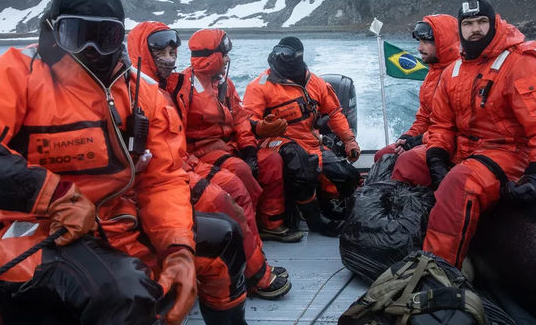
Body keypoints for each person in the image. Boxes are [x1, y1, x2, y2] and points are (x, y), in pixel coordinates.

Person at [0, 0, 291, 325]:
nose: (93, 49)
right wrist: (52, 195)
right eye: (77, 35)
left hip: (117, 221)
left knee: (224, 236)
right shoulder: (18, 74)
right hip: (35, 231)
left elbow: (161, 180)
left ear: (121, 38)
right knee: (125, 293)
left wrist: (179, 249)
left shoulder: (143, 93)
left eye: (107, 36)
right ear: (52, 30)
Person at [392, 0, 536, 268]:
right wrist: (436, 158)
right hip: (466, 149)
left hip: (510, 152)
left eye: (482, 22)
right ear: (459, 30)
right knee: (409, 162)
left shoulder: (521, 64)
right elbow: (441, 125)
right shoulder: (454, 71)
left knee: (460, 181)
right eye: (469, 23)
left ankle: (437, 269)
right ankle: (403, 241)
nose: (475, 29)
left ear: (494, 24)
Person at [126, 21, 292, 299]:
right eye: (162, 54)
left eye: (172, 53)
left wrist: (253, 142)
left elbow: (238, 119)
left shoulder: (186, 88)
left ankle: (261, 244)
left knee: (263, 166)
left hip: (180, 166)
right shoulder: (166, 89)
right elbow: (176, 143)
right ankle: (255, 273)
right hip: (176, 168)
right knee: (232, 189)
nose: (170, 60)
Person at [172, 29, 303, 243]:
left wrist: (250, 150)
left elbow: (241, 120)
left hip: (228, 147)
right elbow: (176, 134)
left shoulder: (225, 84)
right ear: (212, 56)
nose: (227, 59)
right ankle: (245, 233)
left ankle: (270, 223)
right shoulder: (182, 86)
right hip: (200, 152)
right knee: (240, 170)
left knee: (271, 160)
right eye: (223, 54)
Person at [243, 37, 361, 237]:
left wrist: (349, 140)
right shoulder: (259, 86)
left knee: (348, 176)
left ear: (297, 57)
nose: (280, 57)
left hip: (309, 141)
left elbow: (334, 114)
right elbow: (247, 121)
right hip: (275, 142)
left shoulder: (315, 82)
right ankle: (315, 219)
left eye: (286, 53)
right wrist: (263, 127)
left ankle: (328, 205)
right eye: (278, 52)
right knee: (298, 160)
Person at [374, 15, 460, 162]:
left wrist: (418, 140)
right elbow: (424, 119)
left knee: (406, 163)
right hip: (430, 139)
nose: (419, 48)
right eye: (420, 42)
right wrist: (408, 137)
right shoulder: (431, 76)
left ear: (443, 43)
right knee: (382, 156)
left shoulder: (460, 76)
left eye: (426, 42)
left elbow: (456, 128)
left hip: (451, 146)